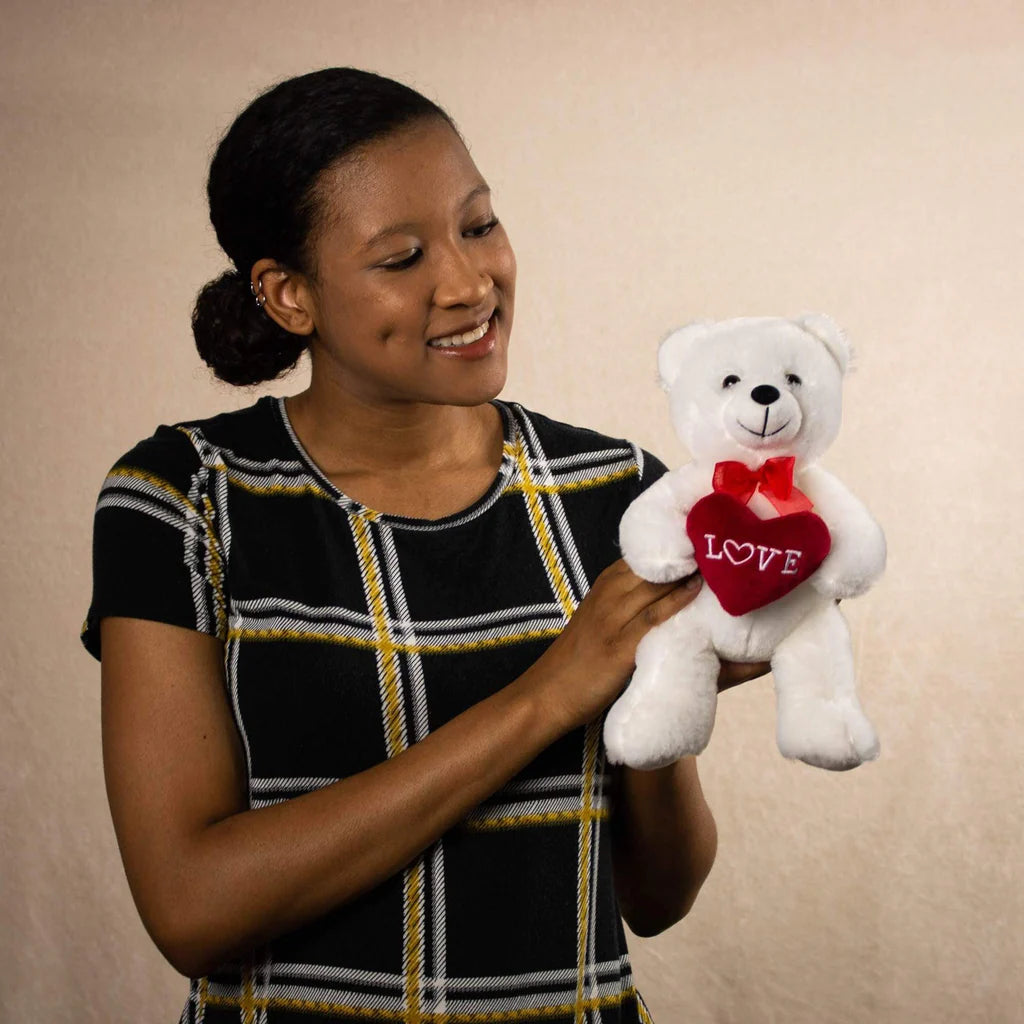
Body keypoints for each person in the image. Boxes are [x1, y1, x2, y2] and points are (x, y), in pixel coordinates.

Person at [82, 67, 762, 1024]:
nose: (469, 281)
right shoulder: (186, 496)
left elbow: (659, 897)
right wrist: (553, 691)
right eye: (401, 257)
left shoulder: (617, 489)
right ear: (288, 296)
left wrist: (663, 687)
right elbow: (192, 909)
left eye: (478, 224)